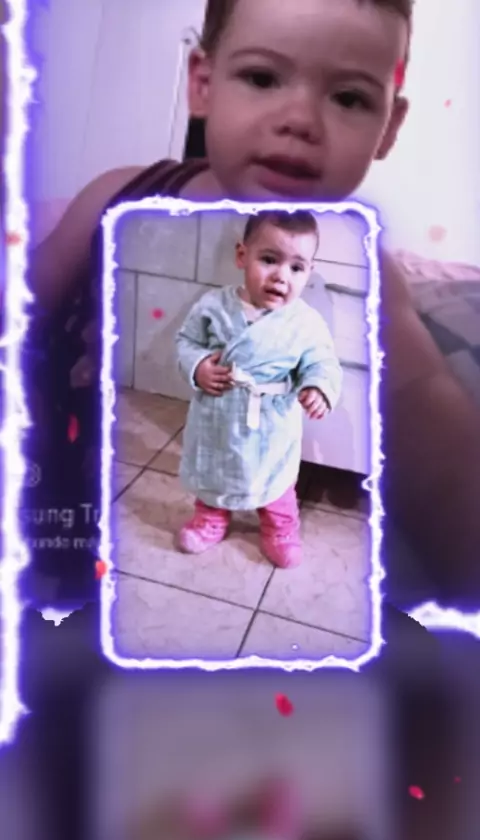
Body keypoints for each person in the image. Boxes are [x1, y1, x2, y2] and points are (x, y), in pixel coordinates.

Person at [27, 0, 480, 607]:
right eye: (263, 78)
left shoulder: (369, 262)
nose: (300, 120)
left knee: (271, 486)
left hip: (269, 430)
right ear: (203, 84)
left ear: (388, 127)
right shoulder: (120, 195)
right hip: (63, 452)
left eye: (349, 97)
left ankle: (276, 527)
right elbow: (27, 298)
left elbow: (420, 397)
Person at [176, 211, 342, 568]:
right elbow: (186, 341)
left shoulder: (305, 322)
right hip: (219, 412)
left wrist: (318, 386)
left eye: (296, 268)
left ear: (309, 272)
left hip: (271, 419)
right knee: (215, 469)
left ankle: (280, 529)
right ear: (242, 256)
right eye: (269, 260)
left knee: (275, 477)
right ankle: (210, 517)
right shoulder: (213, 306)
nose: (281, 276)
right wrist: (198, 365)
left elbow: (322, 362)